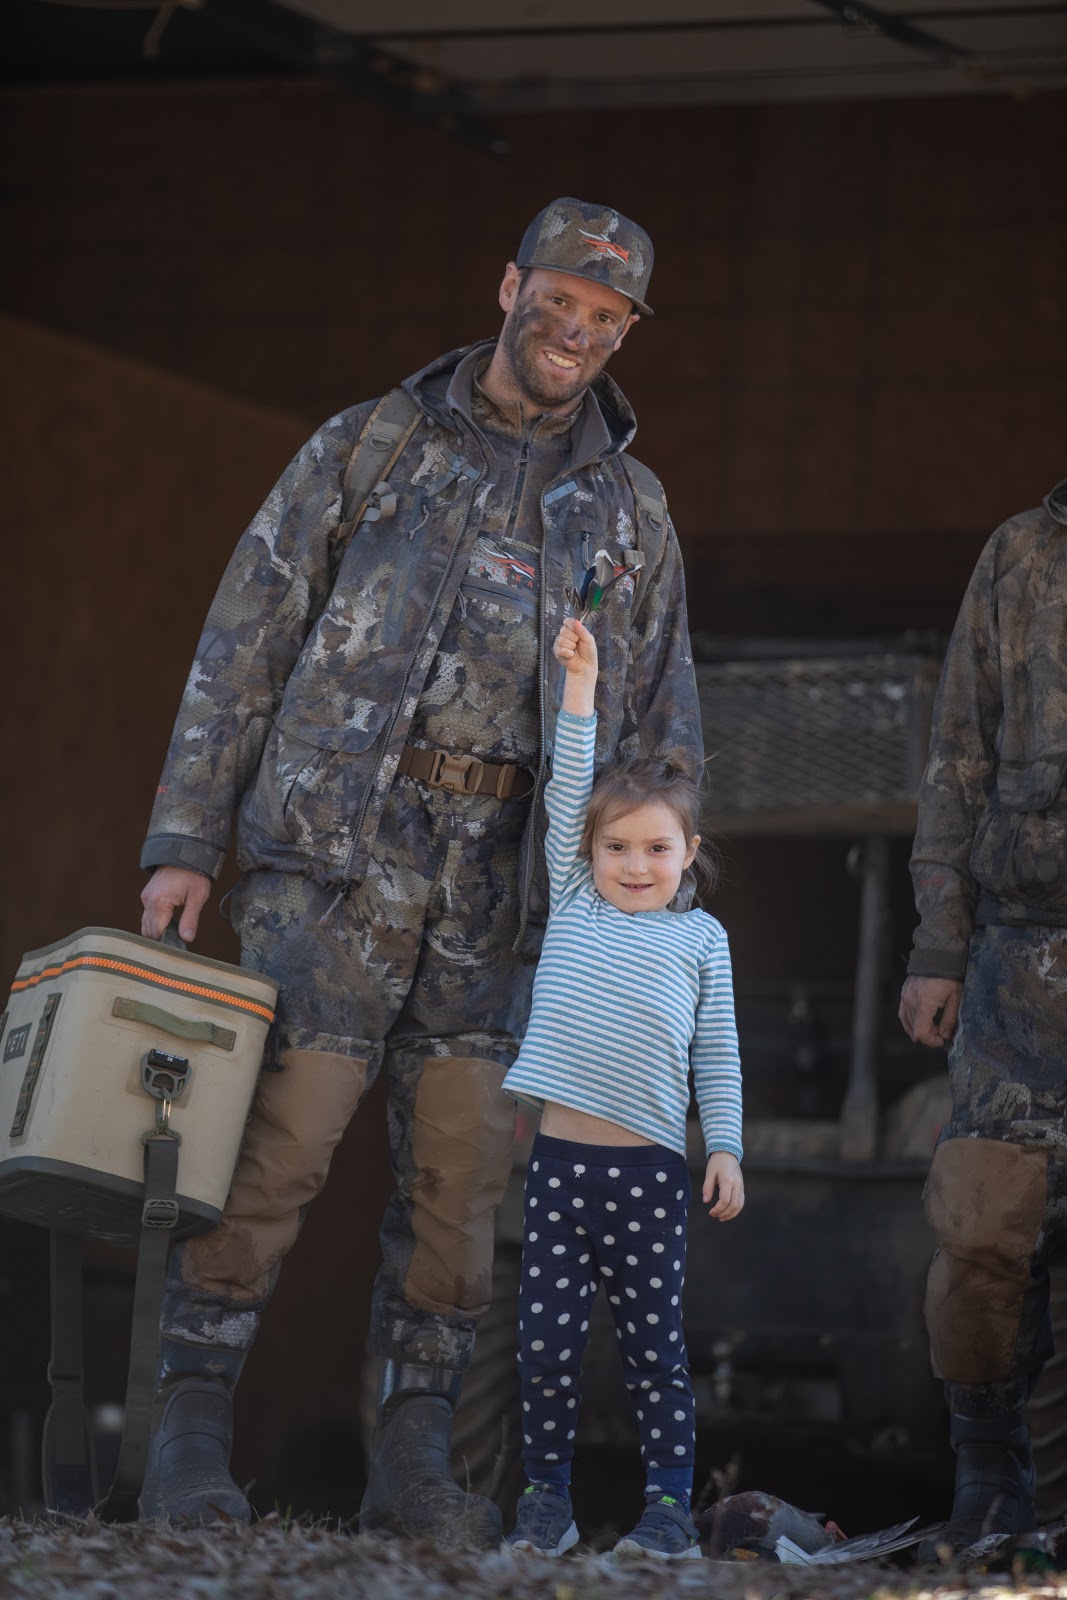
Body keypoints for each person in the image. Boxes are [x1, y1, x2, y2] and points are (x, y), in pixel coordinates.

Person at [136, 197, 704, 1547]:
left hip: (503, 900)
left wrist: (644, 919)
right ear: (509, 285)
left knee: (457, 1189)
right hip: (333, 865)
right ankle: (187, 1441)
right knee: (268, 1153)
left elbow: (660, 733)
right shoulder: (373, 444)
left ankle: (415, 1468)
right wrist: (179, 843)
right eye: (560, 299)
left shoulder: (630, 511)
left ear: (623, 333)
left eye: (605, 317)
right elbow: (245, 638)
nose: (576, 329)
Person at [500, 615, 743, 1560]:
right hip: (559, 1171)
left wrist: (721, 1144)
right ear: (588, 854)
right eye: (616, 850)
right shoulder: (571, 898)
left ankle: (669, 1513)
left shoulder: (700, 942)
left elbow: (716, 1056)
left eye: (654, 850)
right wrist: (582, 685)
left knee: (653, 1356)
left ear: (687, 855)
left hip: (647, 1178)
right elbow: (569, 788)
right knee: (547, 1355)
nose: (633, 866)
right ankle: (544, 1506)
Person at [899, 479, 1067, 1557]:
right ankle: (991, 1488)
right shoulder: (1018, 553)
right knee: (980, 1231)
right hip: (1015, 959)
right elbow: (958, 748)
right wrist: (936, 944)